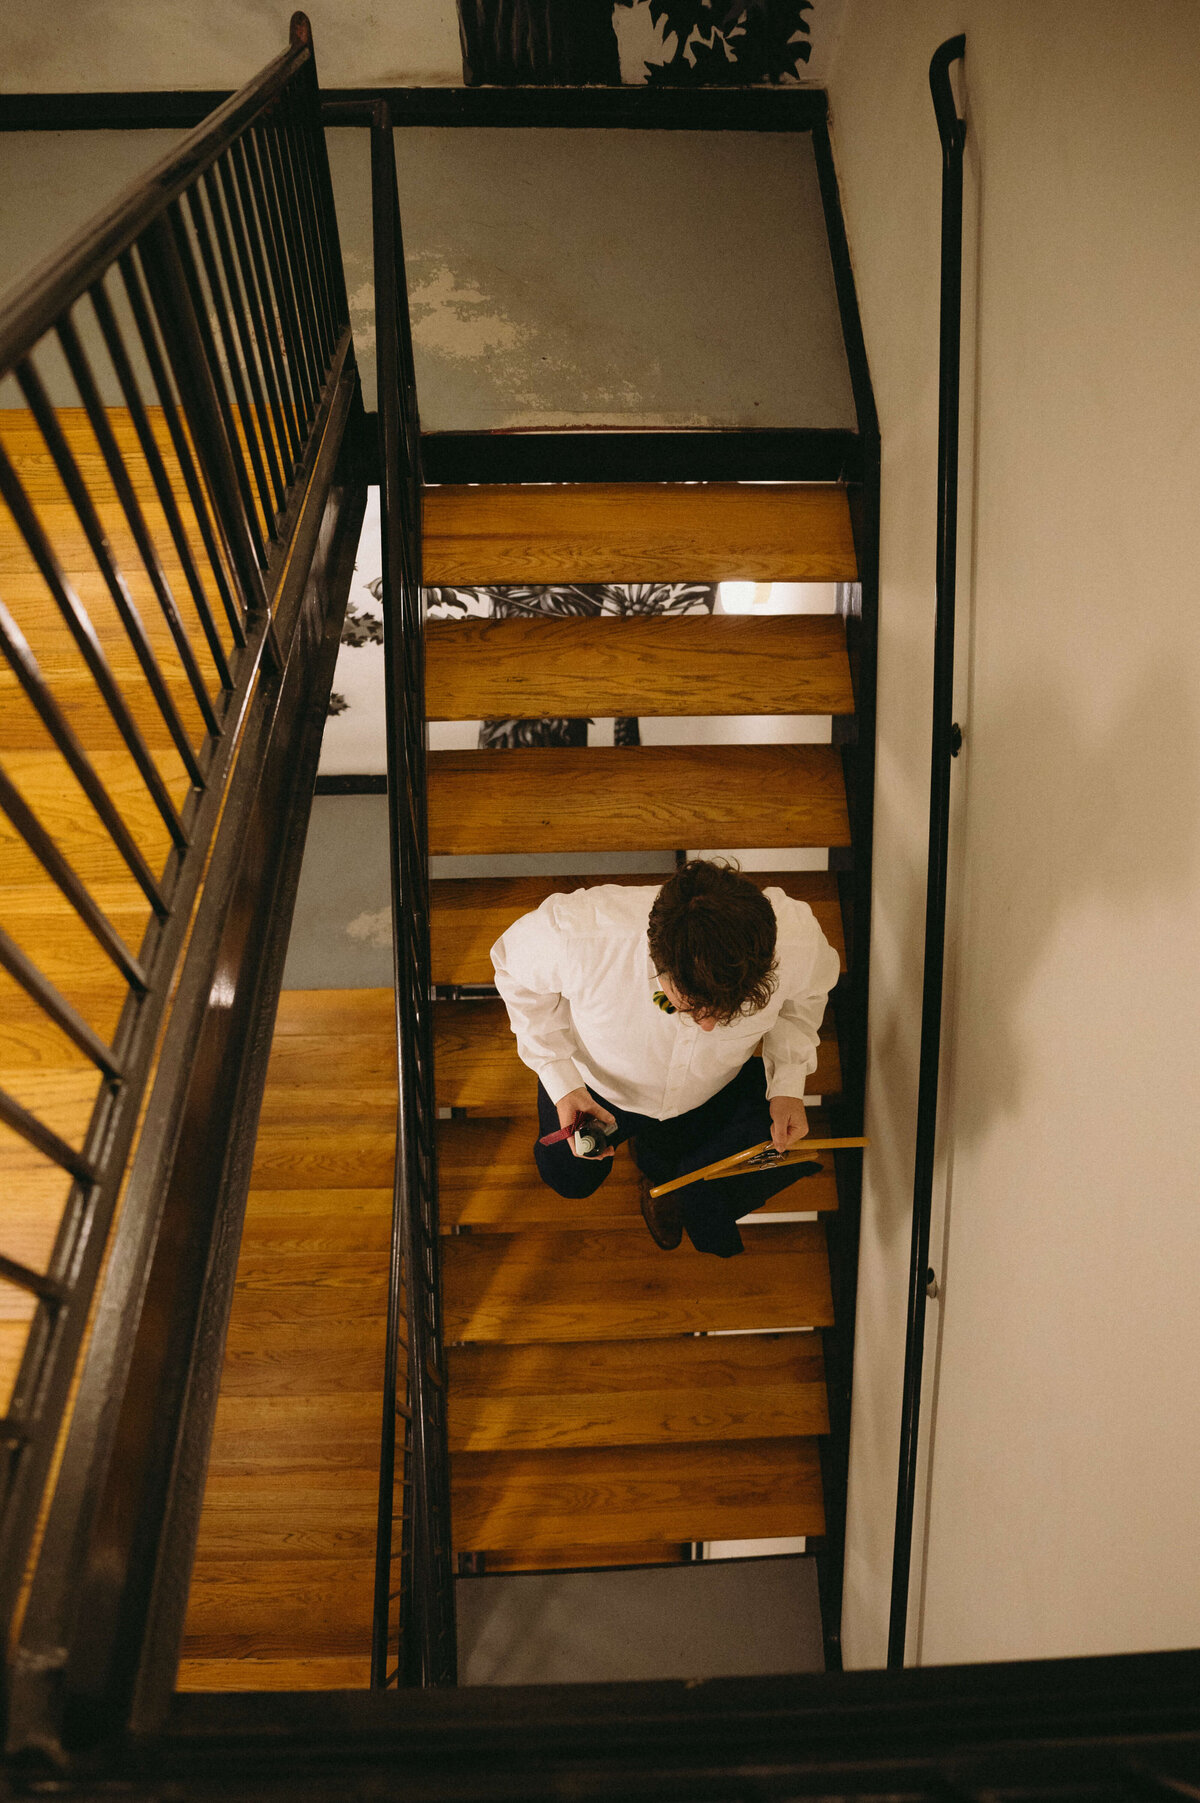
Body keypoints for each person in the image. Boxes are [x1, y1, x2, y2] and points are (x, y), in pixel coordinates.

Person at [489, 859, 841, 1258]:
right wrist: (560, 1078)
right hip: (596, 1088)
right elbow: (512, 969)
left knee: (720, 1157)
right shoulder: (582, 932)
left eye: (729, 1009)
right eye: (693, 1007)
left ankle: (660, 1166)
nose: (708, 1027)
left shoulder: (795, 940)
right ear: (659, 963)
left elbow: (807, 998)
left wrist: (789, 1084)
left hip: (707, 1089)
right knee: (569, 1176)